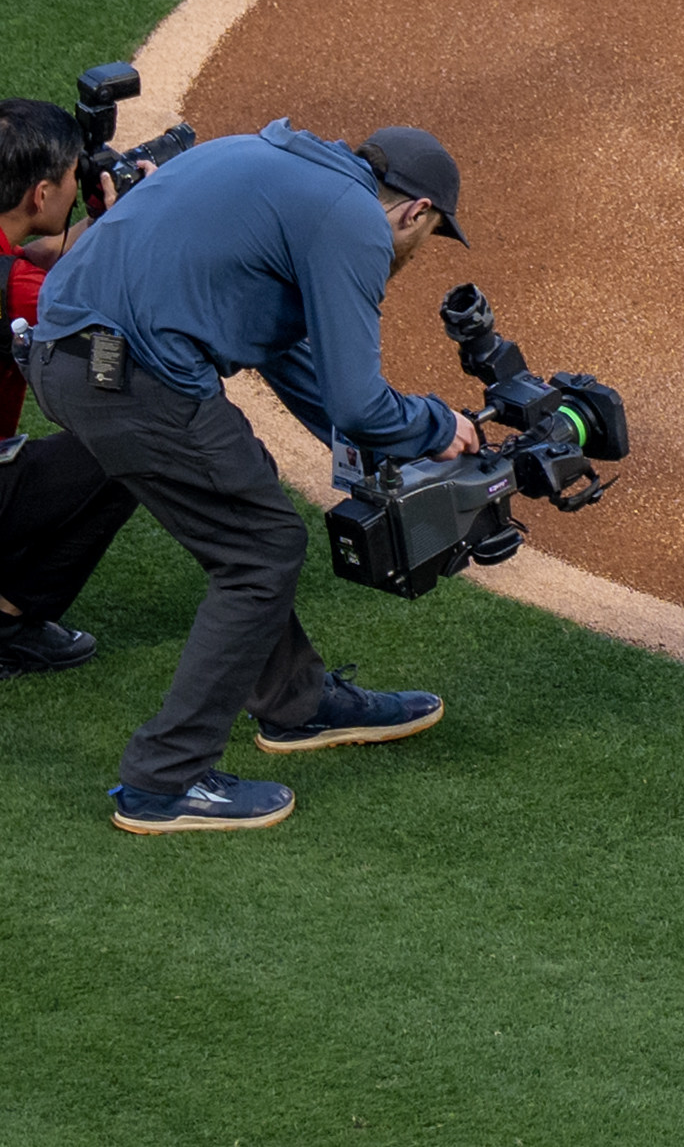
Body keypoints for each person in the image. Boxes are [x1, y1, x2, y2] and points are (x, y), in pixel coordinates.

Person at [28, 118, 483, 834]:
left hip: (73, 356)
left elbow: (297, 362)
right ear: (416, 211)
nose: (414, 250)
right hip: (129, 375)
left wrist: (372, 452)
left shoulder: (275, 164)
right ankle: (164, 780)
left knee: (248, 503)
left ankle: (298, 704)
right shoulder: (355, 222)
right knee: (260, 549)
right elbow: (359, 399)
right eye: (424, 238)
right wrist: (435, 426)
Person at [0, 98, 141, 678]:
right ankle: (10, 623)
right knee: (132, 442)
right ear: (40, 195)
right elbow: (105, 310)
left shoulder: (15, 267)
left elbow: (39, 257)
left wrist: (100, 219)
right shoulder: (20, 289)